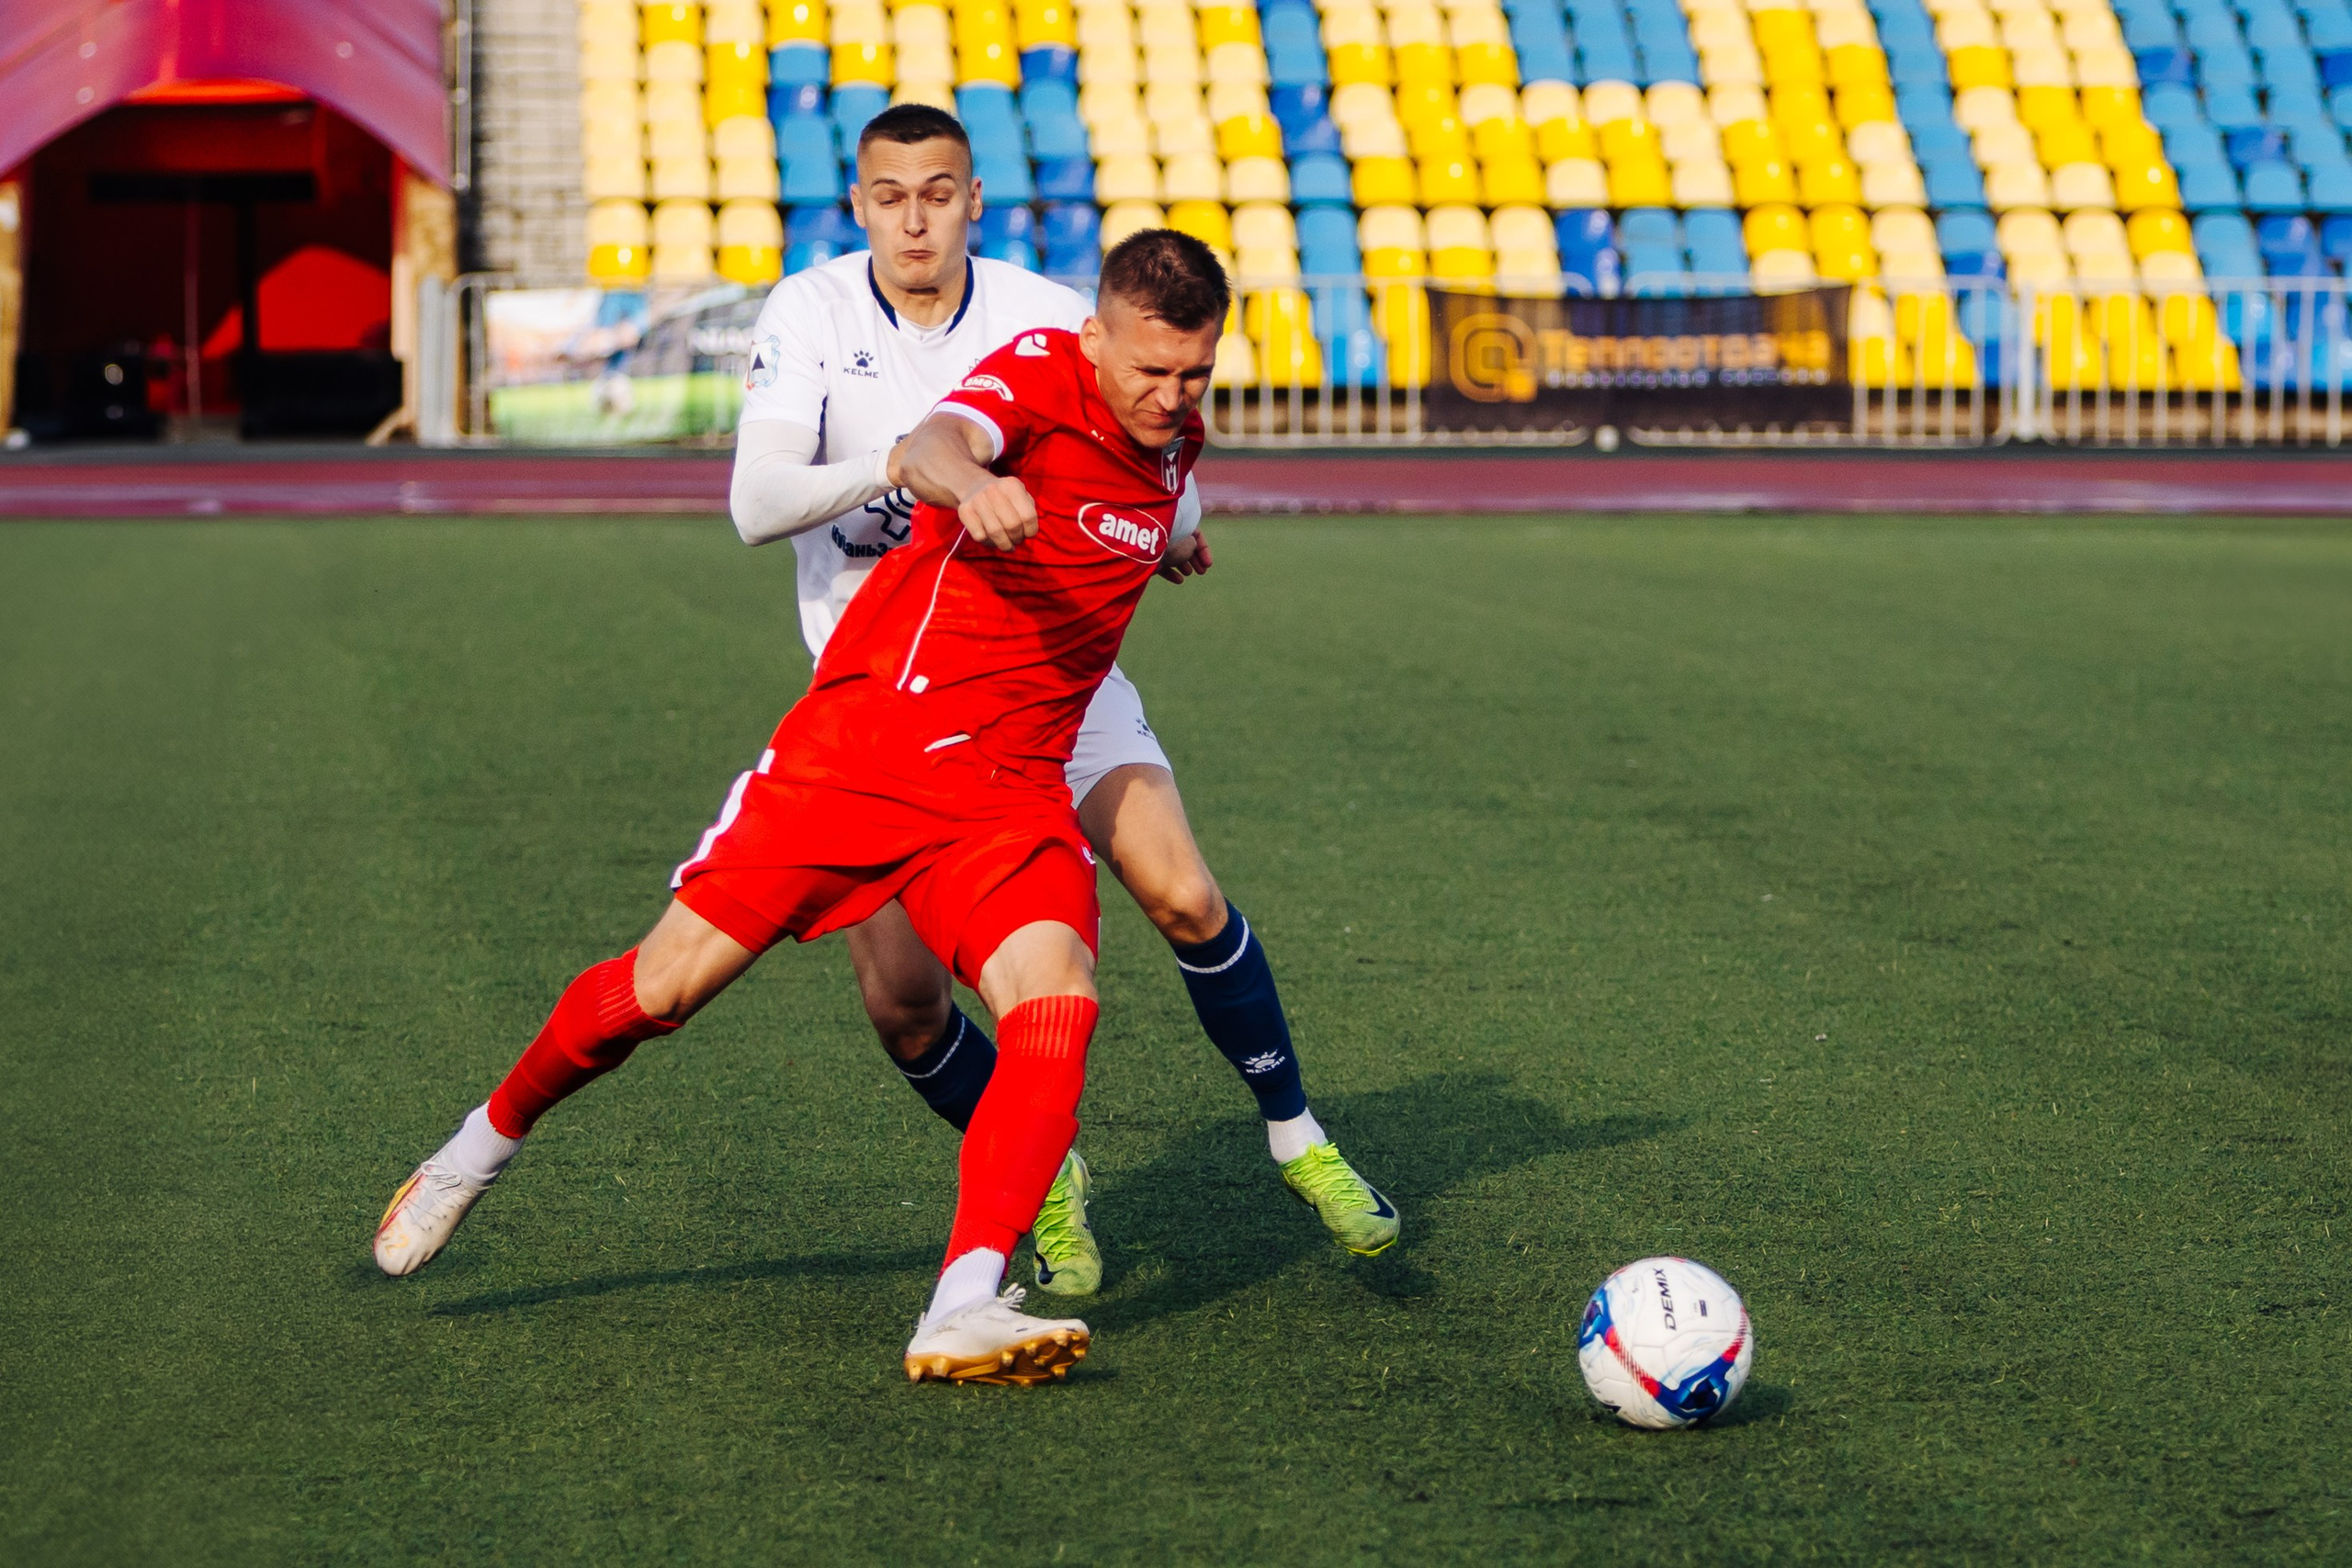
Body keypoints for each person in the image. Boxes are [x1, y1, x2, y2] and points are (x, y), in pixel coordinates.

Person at [376, 231, 1268, 1385]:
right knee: (662, 990)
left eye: (1194, 373)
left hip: (1007, 788)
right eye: (1150, 370)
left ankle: (962, 1302)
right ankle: (475, 1149)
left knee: (1057, 1000)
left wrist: (1180, 540)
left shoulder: (1173, 433)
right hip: (867, 751)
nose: (1171, 395)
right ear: (1094, 336)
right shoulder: (1039, 374)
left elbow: (1151, 497)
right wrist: (973, 484)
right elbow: (937, 441)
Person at [727, 104, 1396, 1295]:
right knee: (905, 1007)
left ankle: (1300, 1140)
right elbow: (757, 503)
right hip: (883, 695)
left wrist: (1176, 530)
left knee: (1183, 892)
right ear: (861, 204)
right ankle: (1043, 1174)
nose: (917, 219)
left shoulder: (1046, 312)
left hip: (1055, 668)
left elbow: (1156, 427)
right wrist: (909, 466)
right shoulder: (812, 311)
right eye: (892, 195)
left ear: (974, 199)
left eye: (940, 192)